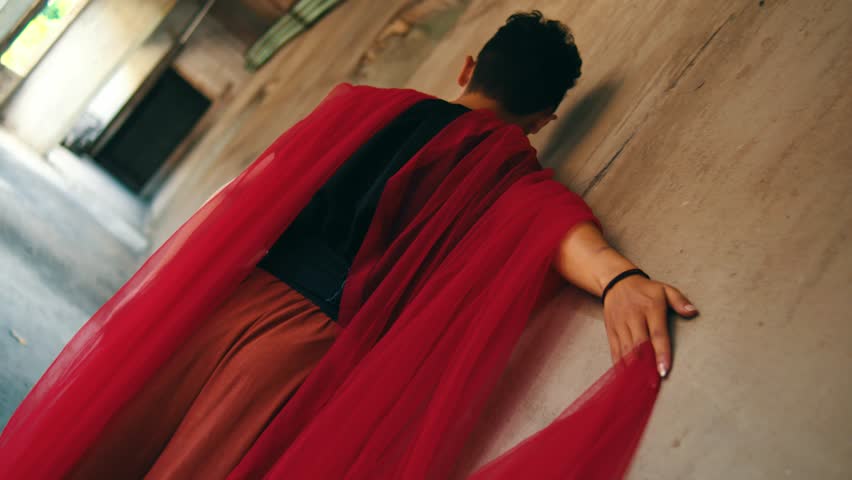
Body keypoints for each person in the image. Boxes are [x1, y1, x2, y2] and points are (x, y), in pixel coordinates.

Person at [0, 10, 697, 479]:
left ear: (467, 67)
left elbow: (255, 200)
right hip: (302, 344)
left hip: (228, 304)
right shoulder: (506, 171)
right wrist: (617, 280)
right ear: (543, 117)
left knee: (109, 445)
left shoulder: (357, 107)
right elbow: (553, 230)